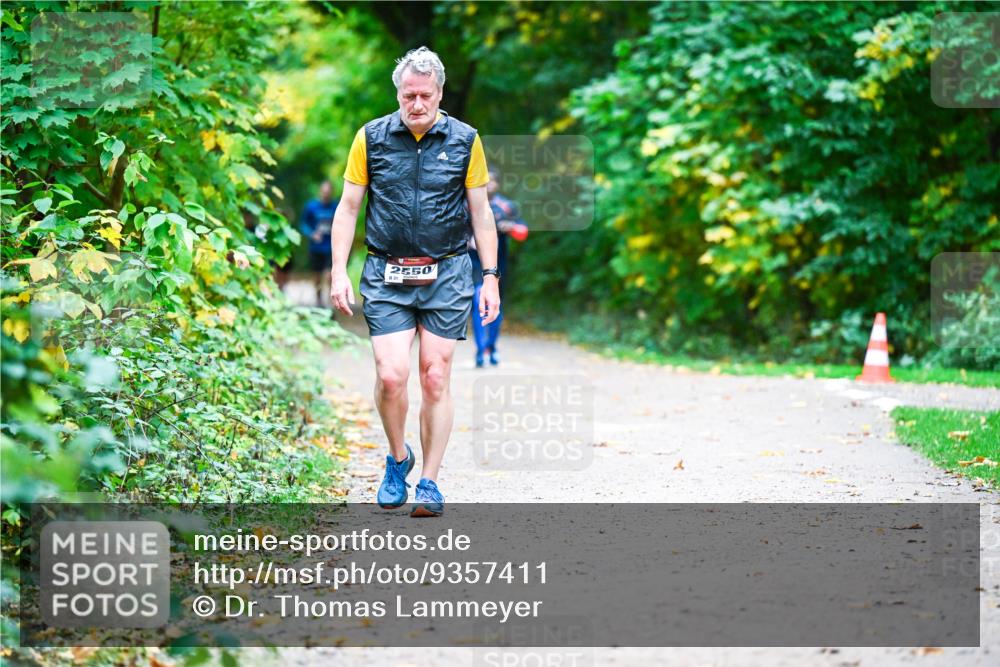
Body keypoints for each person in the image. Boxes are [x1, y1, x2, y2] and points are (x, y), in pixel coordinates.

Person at [329, 46, 500, 517]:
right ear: (399, 95)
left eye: (425, 95)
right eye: (409, 95)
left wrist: (490, 277)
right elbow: (347, 208)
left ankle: (429, 482)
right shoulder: (371, 138)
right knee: (390, 376)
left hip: (447, 271)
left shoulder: (466, 140)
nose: (417, 104)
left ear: (440, 94)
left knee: (436, 375)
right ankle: (398, 458)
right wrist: (337, 270)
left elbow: (481, 213)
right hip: (386, 272)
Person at [468, 168, 527, 367]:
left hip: (498, 264)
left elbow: (523, 232)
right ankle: (480, 348)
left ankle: (491, 347)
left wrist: (509, 227)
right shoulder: (465, 203)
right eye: (486, 181)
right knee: (478, 302)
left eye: (493, 181)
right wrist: (469, 241)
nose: (489, 185)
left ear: (498, 184)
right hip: (474, 263)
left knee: (495, 304)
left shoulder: (507, 207)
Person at [300, 180, 338, 308]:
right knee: (317, 276)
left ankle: (329, 304)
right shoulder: (311, 206)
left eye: (328, 192)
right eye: (324, 192)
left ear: (331, 192)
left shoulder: (335, 206)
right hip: (315, 248)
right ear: (320, 192)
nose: (326, 194)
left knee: (329, 275)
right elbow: (303, 224)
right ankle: (318, 302)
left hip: (330, 248)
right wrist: (312, 234)